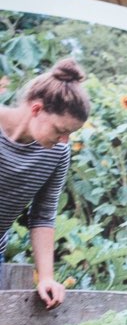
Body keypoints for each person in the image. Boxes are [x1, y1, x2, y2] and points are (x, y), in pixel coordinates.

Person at [0, 58, 90, 309]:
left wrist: (47, 277)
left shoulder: (57, 153)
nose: (64, 141)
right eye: (60, 130)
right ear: (37, 109)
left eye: (70, 135)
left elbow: (42, 216)